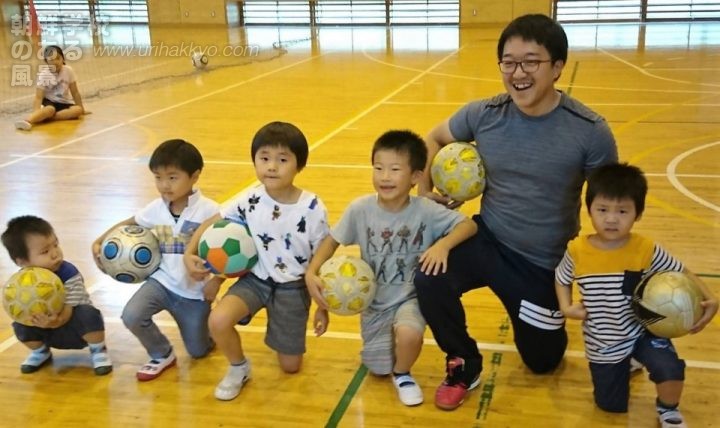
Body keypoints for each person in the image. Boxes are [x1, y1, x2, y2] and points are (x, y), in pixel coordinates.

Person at [413, 13, 619, 411]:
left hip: (540, 263)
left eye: (531, 61)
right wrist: (426, 193)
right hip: (486, 239)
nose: (518, 73)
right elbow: (434, 137)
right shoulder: (485, 113)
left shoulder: (590, 130)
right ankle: (463, 364)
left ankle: (544, 324)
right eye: (508, 62)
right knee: (429, 277)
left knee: (542, 362)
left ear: (557, 67)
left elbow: (610, 201)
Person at [305, 130, 477, 407]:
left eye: (395, 169)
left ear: (416, 177)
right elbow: (331, 241)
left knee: (409, 335)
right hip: (374, 302)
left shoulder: (426, 210)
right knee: (377, 368)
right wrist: (312, 275)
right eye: (378, 168)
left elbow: (469, 225)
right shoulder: (359, 209)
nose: (384, 176)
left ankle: (403, 374)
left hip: (410, 297)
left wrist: (442, 245)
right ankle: (389, 363)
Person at [555, 163, 717, 428]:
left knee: (670, 369)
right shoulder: (577, 251)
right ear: (589, 210)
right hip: (604, 342)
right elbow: (561, 279)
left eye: (622, 211)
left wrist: (711, 297)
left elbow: (681, 271)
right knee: (610, 406)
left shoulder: (645, 248)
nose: (611, 219)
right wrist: (566, 307)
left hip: (643, 331)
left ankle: (668, 409)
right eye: (603, 210)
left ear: (637, 214)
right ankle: (628, 363)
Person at [184, 121, 329, 401]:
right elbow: (217, 223)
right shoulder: (250, 198)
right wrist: (193, 253)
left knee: (290, 367)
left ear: (299, 165)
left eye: (282, 159)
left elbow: (322, 252)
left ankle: (282, 337)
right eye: (264, 158)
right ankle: (239, 367)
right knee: (218, 320)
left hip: (293, 287)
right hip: (255, 280)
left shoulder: (312, 207)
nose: (271, 167)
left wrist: (322, 305)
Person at [92, 139, 221, 381]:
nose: (164, 185)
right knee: (131, 315)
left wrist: (217, 281)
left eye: (172, 177)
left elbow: (228, 251)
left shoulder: (211, 211)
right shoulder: (155, 208)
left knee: (198, 352)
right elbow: (131, 222)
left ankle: (205, 337)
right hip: (160, 284)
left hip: (194, 294)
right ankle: (162, 353)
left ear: (194, 176)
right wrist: (99, 240)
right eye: (158, 177)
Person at [1, 215, 113, 375]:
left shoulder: (69, 273)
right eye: (45, 251)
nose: (55, 254)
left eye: (56, 245)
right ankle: (40, 352)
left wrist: (56, 321)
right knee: (19, 323)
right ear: (22, 262)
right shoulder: (22, 284)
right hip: (43, 330)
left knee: (88, 313)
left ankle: (98, 350)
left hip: (73, 329)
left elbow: (71, 306)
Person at [14, 45, 87, 131]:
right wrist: (36, 113)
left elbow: (75, 92)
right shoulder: (44, 75)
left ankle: (48, 118)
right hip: (49, 102)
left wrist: (82, 109)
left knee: (77, 110)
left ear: (63, 59)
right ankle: (27, 121)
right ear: (46, 61)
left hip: (64, 102)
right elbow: (38, 97)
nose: (55, 62)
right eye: (51, 59)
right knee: (50, 110)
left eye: (58, 58)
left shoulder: (68, 71)